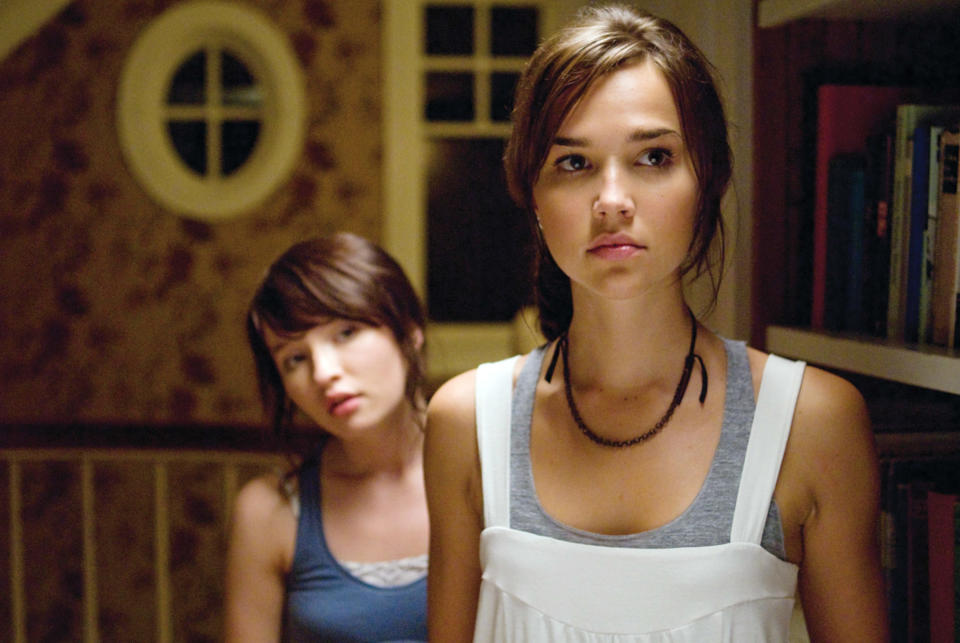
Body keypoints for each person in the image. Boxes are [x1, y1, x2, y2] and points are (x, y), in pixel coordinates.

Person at [423, 4, 888, 642]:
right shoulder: (465, 424)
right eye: (574, 163)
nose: (612, 200)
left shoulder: (812, 422)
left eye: (653, 158)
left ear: (708, 180)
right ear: (532, 194)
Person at [224, 233, 429, 642]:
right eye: (294, 358)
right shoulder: (271, 511)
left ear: (408, 330)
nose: (323, 373)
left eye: (345, 333)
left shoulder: (491, 473)